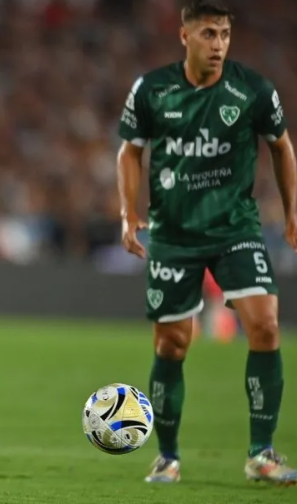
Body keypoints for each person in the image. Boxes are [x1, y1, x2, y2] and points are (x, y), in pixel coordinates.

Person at [117, 0, 297, 485]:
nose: (218, 44)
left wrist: (292, 211)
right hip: (173, 235)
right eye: (208, 34)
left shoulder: (253, 89)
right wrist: (127, 213)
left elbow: (281, 145)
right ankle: (168, 457)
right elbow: (130, 152)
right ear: (185, 37)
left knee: (265, 325)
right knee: (172, 344)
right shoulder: (152, 90)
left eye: (224, 34)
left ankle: (262, 453)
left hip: (235, 229)